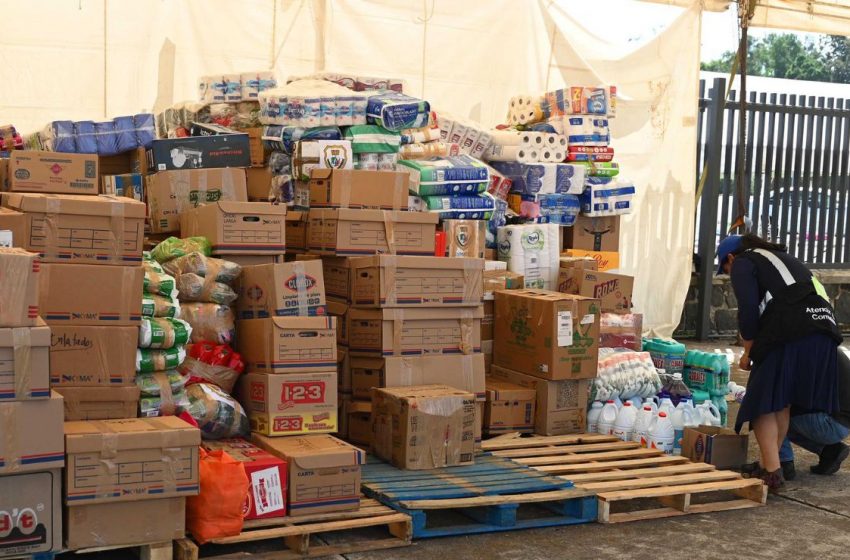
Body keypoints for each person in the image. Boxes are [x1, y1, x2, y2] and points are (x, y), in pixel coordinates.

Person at [716, 233, 843, 491]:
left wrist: (749, 349)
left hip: (790, 328)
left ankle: (772, 473)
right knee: (781, 400)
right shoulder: (782, 257)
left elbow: (748, 308)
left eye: (726, 269)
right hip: (825, 330)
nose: (730, 274)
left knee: (762, 401)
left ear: (731, 257)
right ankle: (769, 466)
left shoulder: (744, 261)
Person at [778, 348, 850, 476]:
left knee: (769, 416)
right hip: (843, 422)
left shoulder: (804, 350)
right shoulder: (824, 345)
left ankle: (783, 463)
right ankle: (829, 451)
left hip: (830, 422)